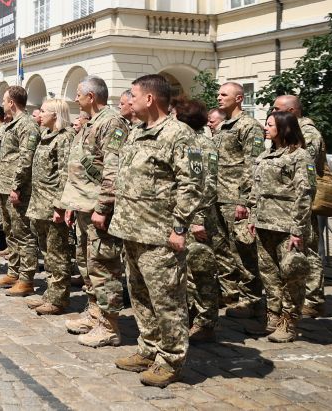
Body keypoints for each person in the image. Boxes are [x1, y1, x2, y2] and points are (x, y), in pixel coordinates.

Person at [110, 74, 201, 388]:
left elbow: (191, 186)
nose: (129, 101)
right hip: (132, 230)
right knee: (140, 297)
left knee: (168, 301)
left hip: (161, 234)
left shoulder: (179, 135)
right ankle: (148, 348)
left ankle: (172, 358)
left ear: (149, 99)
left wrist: (179, 228)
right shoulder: (137, 132)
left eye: (133, 95)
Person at [57, 75, 129, 347]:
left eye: (79, 94)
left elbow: (113, 168)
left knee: (103, 265)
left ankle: (110, 326)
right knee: (87, 263)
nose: (75, 99)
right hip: (83, 204)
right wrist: (71, 203)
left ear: (92, 96)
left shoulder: (111, 122)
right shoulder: (91, 123)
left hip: (98, 207)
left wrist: (104, 206)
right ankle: (95, 312)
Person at [249, 110, 313, 342]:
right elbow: (256, 191)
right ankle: (273, 318)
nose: (265, 128)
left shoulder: (300, 156)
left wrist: (298, 229)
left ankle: (289, 321)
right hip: (265, 224)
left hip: (287, 225)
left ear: (284, 128)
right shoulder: (266, 155)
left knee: (291, 274)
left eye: (270, 125)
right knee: (269, 275)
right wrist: (253, 218)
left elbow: (304, 193)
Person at [272, 94, 327, 317]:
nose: (272, 113)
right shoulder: (289, 129)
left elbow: (304, 166)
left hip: (303, 201)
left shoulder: (308, 133)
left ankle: (313, 298)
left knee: (308, 248)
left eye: (277, 109)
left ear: (291, 111)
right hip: (287, 203)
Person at [173, 98, 221, 343]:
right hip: (184, 217)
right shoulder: (184, 140)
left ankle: (206, 321)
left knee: (201, 269)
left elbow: (208, 184)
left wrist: (198, 219)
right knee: (186, 270)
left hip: (198, 218)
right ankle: (190, 314)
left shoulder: (202, 144)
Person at [216, 82, 266, 319]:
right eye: (218, 94)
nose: (219, 97)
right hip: (219, 196)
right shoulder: (224, 126)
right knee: (224, 251)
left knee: (243, 251)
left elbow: (252, 164)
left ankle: (253, 300)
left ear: (238, 98)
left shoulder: (249, 126)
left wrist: (244, 200)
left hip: (235, 198)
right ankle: (231, 292)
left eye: (224, 94)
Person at [26, 98, 75, 315]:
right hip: (40, 202)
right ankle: (50, 293)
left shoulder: (64, 138)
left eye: (44, 111)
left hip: (53, 204)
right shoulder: (46, 136)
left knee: (57, 253)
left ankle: (59, 299)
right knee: (47, 252)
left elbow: (65, 174)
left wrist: (60, 206)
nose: (39, 114)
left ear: (55, 115)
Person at [0, 86, 40, 298]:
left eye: (4, 101)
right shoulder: (13, 125)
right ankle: (14, 272)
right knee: (10, 231)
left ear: (12, 102)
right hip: (4, 185)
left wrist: (17, 186)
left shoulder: (27, 125)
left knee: (23, 234)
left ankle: (27, 279)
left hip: (16, 188)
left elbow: (25, 158)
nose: (3, 105)